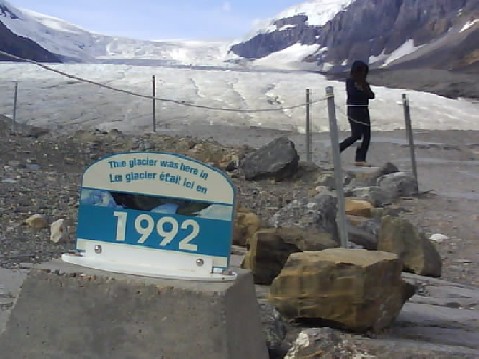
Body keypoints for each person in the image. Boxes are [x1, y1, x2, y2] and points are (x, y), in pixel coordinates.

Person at [339, 60, 375, 165]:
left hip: (364, 110)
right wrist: (363, 91)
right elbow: (353, 94)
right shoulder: (350, 82)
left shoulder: (364, 83)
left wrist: (363, 89)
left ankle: (360, 159)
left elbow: (371, 96)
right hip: (354, 110)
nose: (363, 73)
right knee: (356, 135)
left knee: (367, 136)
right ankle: (338, 148)